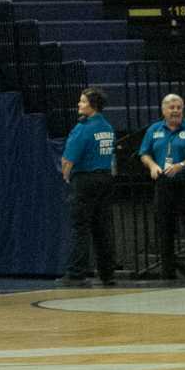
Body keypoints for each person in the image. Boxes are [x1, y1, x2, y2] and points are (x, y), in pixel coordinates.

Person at [139, 94, 185, 280]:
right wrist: (152, 165)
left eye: (179, 107)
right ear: (163, 110)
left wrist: (181, 165)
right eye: (172, 107)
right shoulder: (154, 130)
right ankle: (167, 272)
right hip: (164, 184)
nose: (176, 110)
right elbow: (144, 153)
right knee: (165, 228)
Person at [61, 87, 118, 287]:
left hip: (85, 180)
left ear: (92, 106)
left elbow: (68, 159)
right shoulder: (108, 128)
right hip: (105, 178)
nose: (79, 104)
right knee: (102, 228)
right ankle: (107, 273)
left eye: (83, 101)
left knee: (81, 227)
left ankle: (76, 273)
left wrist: (66, 176)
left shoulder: (83, 128)